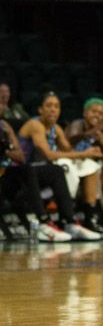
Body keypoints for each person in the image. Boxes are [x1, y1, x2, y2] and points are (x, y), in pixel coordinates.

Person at [0, 90, 69, 243]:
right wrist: (7, 146)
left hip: (5, 173)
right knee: (27, 170)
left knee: (52, 170)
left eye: (0, 101)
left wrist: (6, 146)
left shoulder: (5, 124)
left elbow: (20, 156)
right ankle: (42, 221)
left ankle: (68, 221)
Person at [18, 92, 102, 241]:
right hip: (20, 172)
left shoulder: (55, 128)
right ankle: (61, 218)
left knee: (89, 165)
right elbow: (48, 155)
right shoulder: (35, 124)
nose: (53, 110)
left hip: (42, 172)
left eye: (56, 106)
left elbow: (68, 150)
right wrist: (83, 153)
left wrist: (90, 152)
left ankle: (76, 220)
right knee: (60, 167)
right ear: (40, 110)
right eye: (49, 106)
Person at [65, 97, 103, 233]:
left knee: (95, 168)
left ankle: (93, 215)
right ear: (85, 113)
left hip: (83, 165)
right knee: (92, 168)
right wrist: (90, 133)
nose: (97, 116)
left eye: (101, 114)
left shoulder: (99, 132)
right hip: (67, 160)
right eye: (94, 112)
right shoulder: (78, 124)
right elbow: (71, 139)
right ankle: (90, 216)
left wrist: (100, 140)